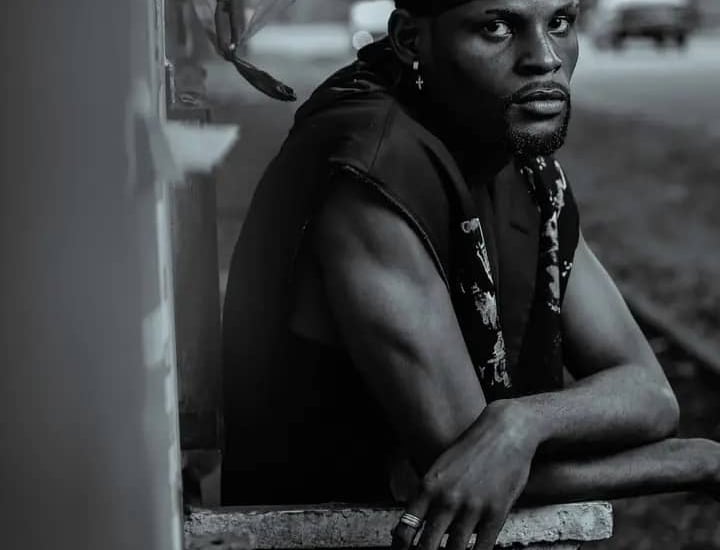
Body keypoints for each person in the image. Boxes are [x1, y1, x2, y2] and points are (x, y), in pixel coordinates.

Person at [220, 1, 720, 548]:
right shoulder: (372, 171)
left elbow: (650, 394)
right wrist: (696, 462)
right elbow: (468, 468)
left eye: (559, 22)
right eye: (497, 27)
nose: (545, 58)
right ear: (411, 40)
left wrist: (522, 422)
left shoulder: (517, 158)